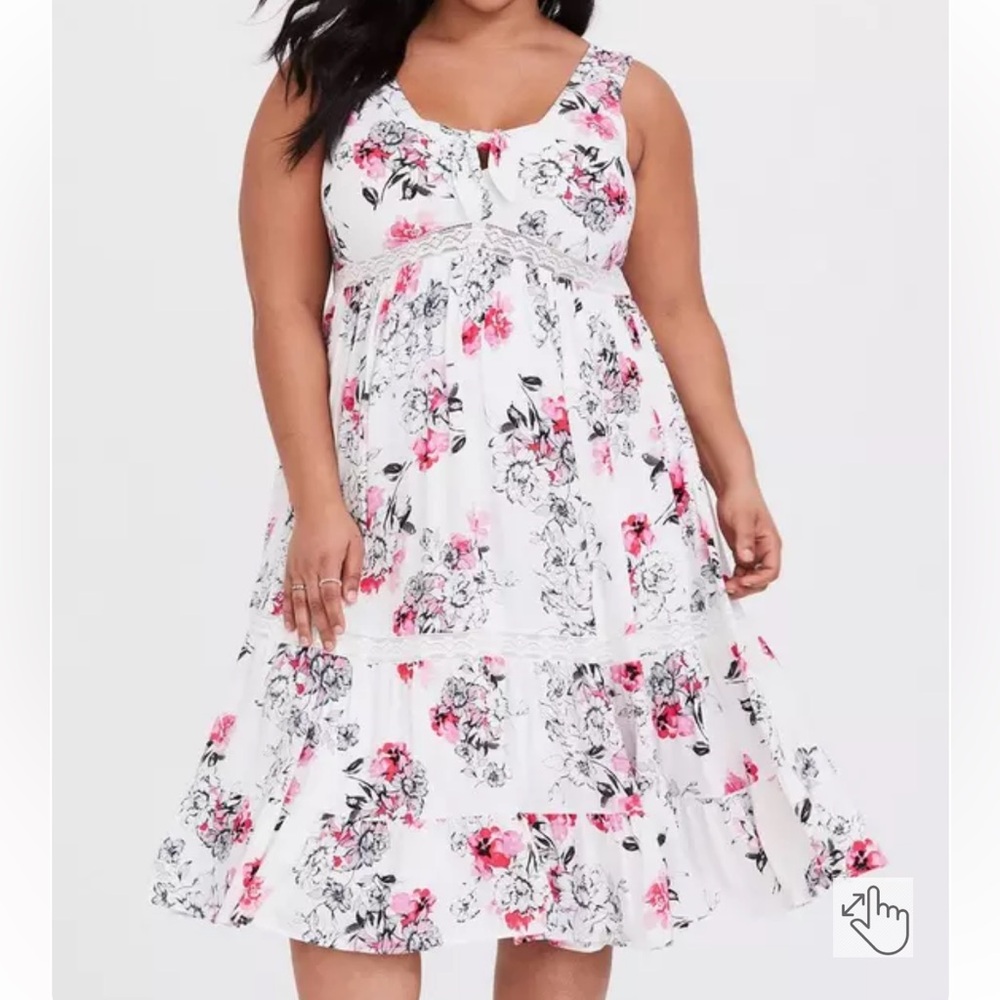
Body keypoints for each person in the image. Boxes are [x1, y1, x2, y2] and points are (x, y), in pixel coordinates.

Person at [149, 1, 887, 997]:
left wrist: (736, 474)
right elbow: (281, 307)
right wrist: (319, 501)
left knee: (569, 837)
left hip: (586, 537)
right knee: (344, 840)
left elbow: (676, 307)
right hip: (383, 533)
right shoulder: (324, 83)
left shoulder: (630, 98)